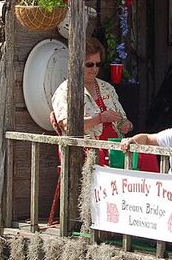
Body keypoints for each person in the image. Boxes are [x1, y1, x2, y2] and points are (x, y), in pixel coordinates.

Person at [52, 37, 146, 169]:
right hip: (85, 149)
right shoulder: (65, 90)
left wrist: (126, 125)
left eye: (98, 64)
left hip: (115, 147)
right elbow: (68, 125)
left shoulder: (107, 87)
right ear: (77, 63)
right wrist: (99, 118)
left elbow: (124, 120)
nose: (94, 69)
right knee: (98, 157)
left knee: (146, 155)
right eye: (89, 64)